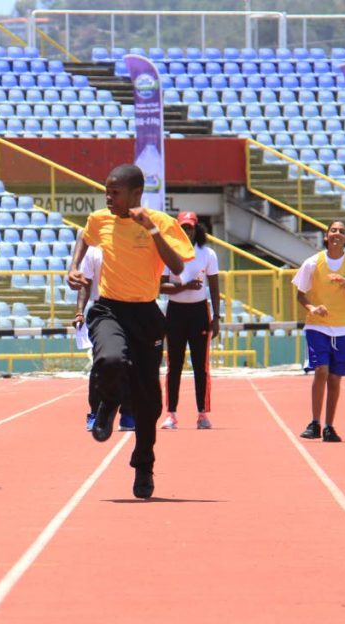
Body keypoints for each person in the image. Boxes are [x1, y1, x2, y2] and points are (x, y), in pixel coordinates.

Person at [68, 164, 195, 499]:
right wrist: (74, 268)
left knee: (149, 401)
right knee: (110, 360)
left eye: (115, 192)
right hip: (109, 308)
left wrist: (151, 229)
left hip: (146, 313)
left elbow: (179, 266)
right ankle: (107, 406)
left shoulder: (163, 223)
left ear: (136, 193)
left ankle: (144, 465)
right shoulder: (100, 219)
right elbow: (85, 237)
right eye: (106, 191)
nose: (108, 197)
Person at [291, 220, 345, 442]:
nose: (337, 234)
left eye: (342, 231)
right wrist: (312, 308)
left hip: (344, 329)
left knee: (335, 379)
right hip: (317, 327)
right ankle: (314, 422)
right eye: (333, 231)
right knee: (321, 371)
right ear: (327, 236)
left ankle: (329, 426)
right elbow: (300, 294)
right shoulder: (312, 263)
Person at [159, 211, 220, 430]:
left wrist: (217, 317)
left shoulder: (207, 254)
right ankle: (171, 414)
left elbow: (214, 286)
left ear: (197, 229)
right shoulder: (169, 253)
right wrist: (184, 286)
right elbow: (160, 286)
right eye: (183, 227)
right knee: (173, 365)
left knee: (200, 366)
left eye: (190, 227)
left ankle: (202, 414)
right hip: (175, 312)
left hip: (199, 313)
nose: (187, 231)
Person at [74, 245, 135, 433]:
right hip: (102, 310)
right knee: (102, 362)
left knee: (130, 362)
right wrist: (79, 312)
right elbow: (85, 283)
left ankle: (128, 414)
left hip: (130, 307)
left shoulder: (129, 243)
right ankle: (95, 412)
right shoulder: (93, 250)